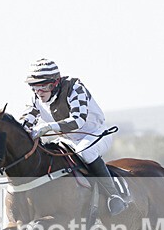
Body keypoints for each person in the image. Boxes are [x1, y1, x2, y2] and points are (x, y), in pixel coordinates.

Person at [18, 58, 127, 215]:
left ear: (54, 83)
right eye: (34, 87)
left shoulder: (75, 88)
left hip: (94, 133)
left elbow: (78, 121)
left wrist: (47, 127)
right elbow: (26, 121)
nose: (38, 92)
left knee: (85, 152)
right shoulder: (36, 98)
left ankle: (114, 196)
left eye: (42, 87)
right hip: (67, 139)